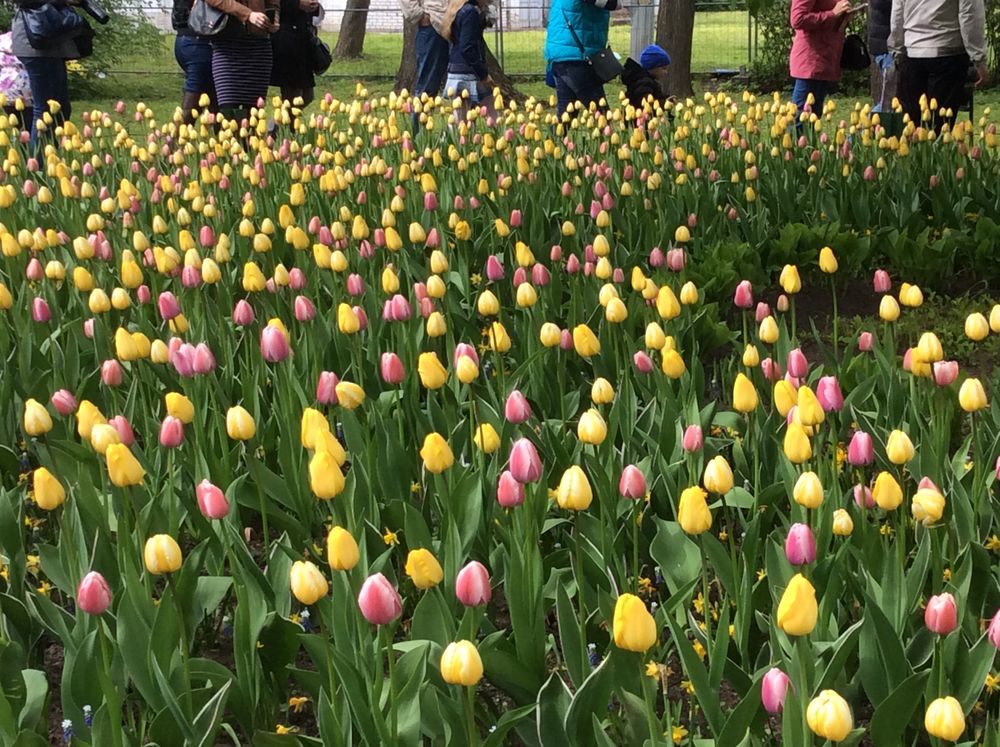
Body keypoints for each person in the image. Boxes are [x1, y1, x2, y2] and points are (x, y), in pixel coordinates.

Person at [888, 0, 987, 129]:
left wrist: (897, 49)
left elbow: (897, 13)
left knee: (911, 126)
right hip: (947, 53)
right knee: (940, 126)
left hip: (912, 53)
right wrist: (979, 59)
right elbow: (970, 16)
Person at [10, 0, 90, 147]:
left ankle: (50, 158)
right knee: (45, 111)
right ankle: (38, 167)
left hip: (51, 44)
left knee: (61, 108)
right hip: (36, 44)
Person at [204, 0, 280, 122]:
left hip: (259, 45)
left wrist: (273, 19)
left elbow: (274, 4)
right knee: (228, 111)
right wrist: (248, 14)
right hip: (228, 45)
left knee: (253, 114)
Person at [544, 0, 619, 118]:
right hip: (576, 58)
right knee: (602, 116)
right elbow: (613, 4)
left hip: (562, 55)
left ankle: (554, 137)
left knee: (566, 116)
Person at [789, 0, 862, 118]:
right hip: (810, 61)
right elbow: (797, 20)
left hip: (826, 59)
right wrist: (832, 14)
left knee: (813, 119)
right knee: (800, 119)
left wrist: (842, 17)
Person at [400, 0, 449, 130]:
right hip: (433, 25)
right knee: (427, 86)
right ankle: (419, 138)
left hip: (457, 22)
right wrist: (419, 15)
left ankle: (466, 140)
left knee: (465, 83)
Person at [441, 0, 493, 118]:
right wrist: (483, 73)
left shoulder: (456, 9)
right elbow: (467, 48)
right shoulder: (470, 12)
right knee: (466, 121)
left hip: (455, 68)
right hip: (467, 72)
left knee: (462, 119)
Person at [270, 0, 321, 106]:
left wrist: (313, 6)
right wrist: (298, 4)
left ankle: (278, 121)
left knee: (307, 95)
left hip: (303, 37)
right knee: (293, 95)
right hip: (285, 36)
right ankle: (283, 121)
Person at [172, 0, 215, 123]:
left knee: (213, 96)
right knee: (193, 102)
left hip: (185, 37)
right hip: (199, 39)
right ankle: (175, 140)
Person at [621, 43, 671, 112]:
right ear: (652, 67)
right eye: (663, 68)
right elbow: (647, 104)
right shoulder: (644, 83)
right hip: (639, 118)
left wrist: (666, 99)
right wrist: (664, 104)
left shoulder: (648, 80)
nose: (666, 72)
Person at [1, 30, 32, 132]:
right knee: (30, 124)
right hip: (28, 91)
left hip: (6, 92)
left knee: (16, 126)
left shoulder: (2, 40)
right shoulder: (28, 38)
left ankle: (18, 144)